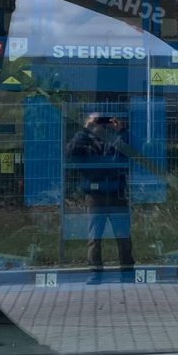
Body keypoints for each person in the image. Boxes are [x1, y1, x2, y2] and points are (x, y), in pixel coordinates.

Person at [66, 111, 135, 283]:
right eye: (96, 122)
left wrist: (121, 131)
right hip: (95, 196)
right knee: (94, 237)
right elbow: (69, 152)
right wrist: (84, 131)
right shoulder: (85, 142)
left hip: (116, 194)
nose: (100, 126)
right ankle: (95, 273)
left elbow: (131, 152)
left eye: (103, 122)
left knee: (123, 235)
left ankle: (127, 272)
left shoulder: (116, 140)